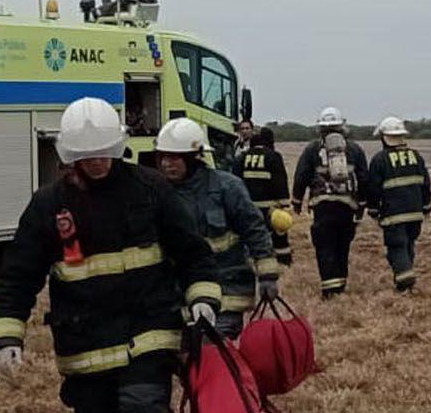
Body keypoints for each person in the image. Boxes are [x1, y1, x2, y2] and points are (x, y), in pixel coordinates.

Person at [0, 98, 222, 413]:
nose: (96, 163)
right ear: (68, 156)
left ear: (117, 148)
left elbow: (193, 252)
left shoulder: (150, 190)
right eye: (86, 155)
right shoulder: (49, 207)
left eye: (104, 153)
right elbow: (18, 275)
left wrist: (203, 298)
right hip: (83, 348)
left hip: (147, 334)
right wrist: (6, 337)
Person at [155, 117, 280, 338]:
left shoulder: (227, 187)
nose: (166, 164)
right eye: (163, 157)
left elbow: (254, 230)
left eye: (174, 158)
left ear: (194, 157)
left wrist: (268, 276)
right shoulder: (157, 193)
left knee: (211, 352)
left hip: (227, 293)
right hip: (177, 296)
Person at [292, 106, 368, 298]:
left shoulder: (312, 149)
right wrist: (362, 205)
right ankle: (340, 284)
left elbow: (301, 175)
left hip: (322, 206)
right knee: (343, 245)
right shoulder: (354, 149)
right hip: (347, 206)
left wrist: (297, 200)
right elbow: (363, 178)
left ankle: (329, 288)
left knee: (325, 245)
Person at [364, 116, 431, 292]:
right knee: (408, 245)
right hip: (415, 213)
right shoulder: (416, 156)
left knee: (396, 247)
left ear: (383, 137)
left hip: (393, 215)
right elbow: (426, 183)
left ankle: (404, 282)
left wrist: (372, 209)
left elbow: (373, 188)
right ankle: (405, 277)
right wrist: (426, 206)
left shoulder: (380, 159)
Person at [235, 126, 294, 265]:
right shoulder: (273, 156)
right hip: (271, 209)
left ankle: (251, 261)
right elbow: (280, 182)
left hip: (248, 208)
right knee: (279, 236)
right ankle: (283, 262)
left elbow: (235, 182)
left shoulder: (241, 157)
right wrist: (284, 204)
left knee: (250, 236)